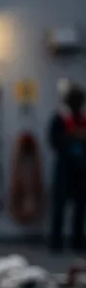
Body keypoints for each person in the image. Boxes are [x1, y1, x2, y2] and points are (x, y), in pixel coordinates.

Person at [48, 83, 86, 251]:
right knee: (59, 208)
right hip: (64, 169)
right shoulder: (60, 120)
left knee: (80, 209)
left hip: (81, 170)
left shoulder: (84, 120)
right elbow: (54, 141)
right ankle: (56, 242)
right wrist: (71, 137)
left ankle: (77, 242)